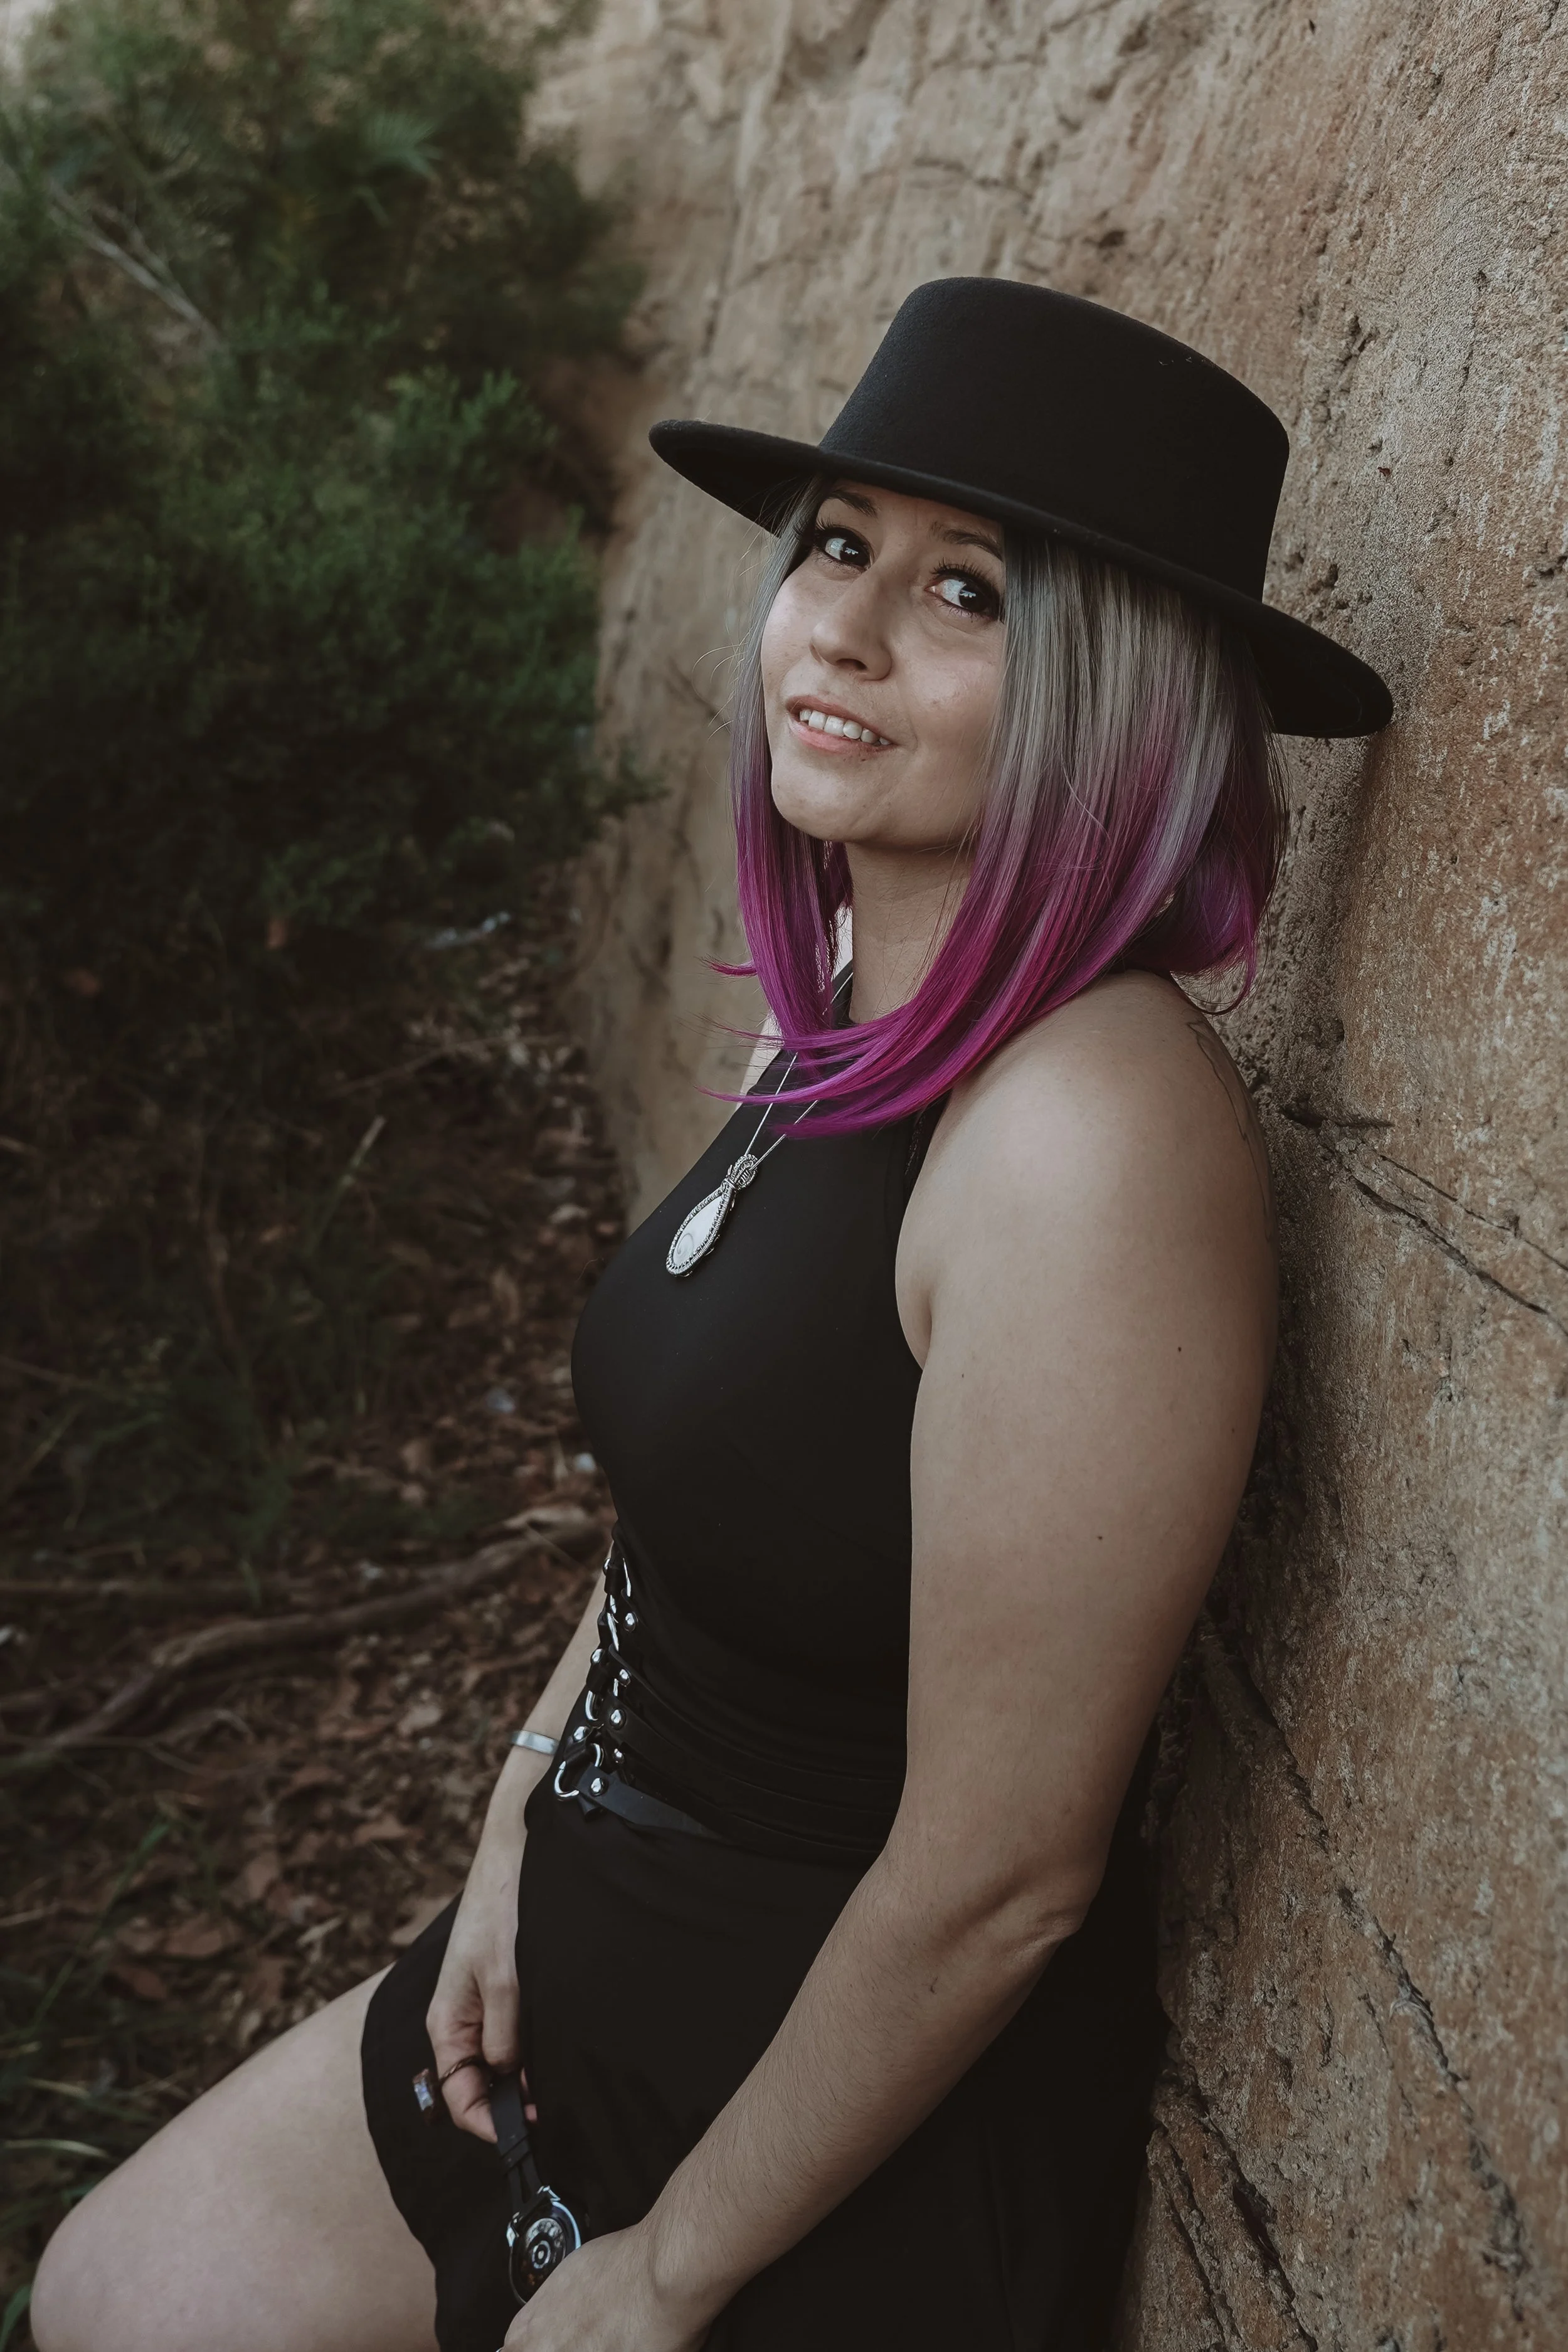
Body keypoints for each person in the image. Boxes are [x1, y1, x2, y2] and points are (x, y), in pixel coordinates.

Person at [33, 277, 1391, 2352]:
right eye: (836, 546)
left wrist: (670, 2272)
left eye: (969, 594)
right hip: (589, 1932)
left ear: (1112, 693)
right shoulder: (854, 1004)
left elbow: (1003, 1870)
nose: (837, 627)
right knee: (111, 2291)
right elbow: (710, 1486)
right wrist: (514, 1812)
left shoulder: (1084, 1137)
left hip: (824, 2100)